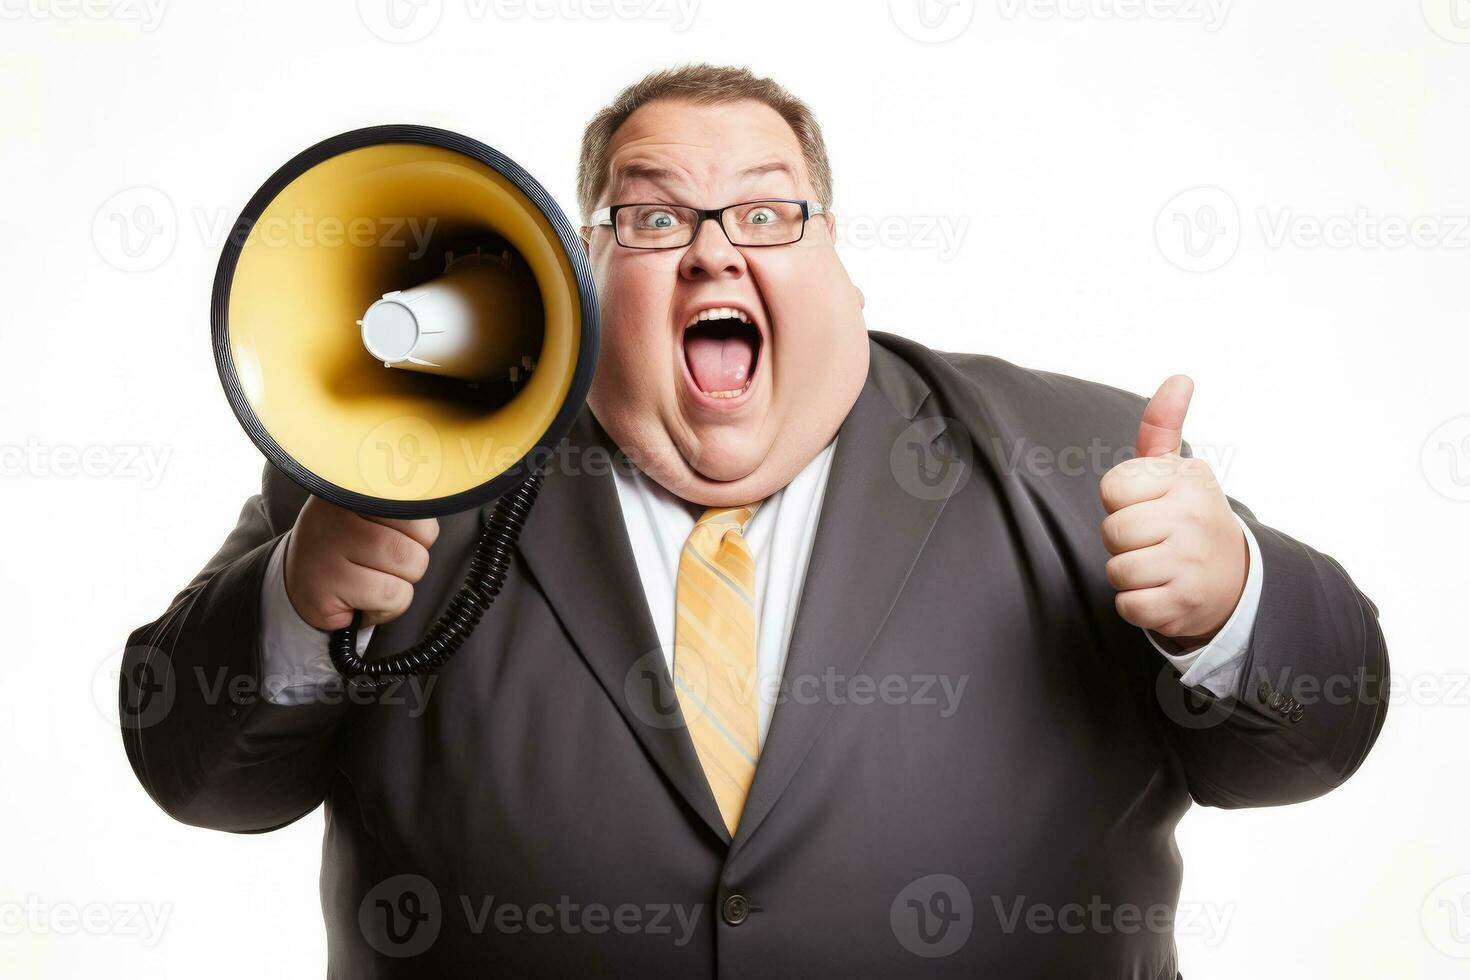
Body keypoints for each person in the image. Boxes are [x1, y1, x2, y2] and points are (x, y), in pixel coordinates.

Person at [119, 64, 1388, 978]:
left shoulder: (1088, 461)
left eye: (768, 211)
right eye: (654, 214)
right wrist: (298, 598)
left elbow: (1314, 745)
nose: (713, 251)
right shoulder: (392, 472)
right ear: (581, 265)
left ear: (834, 255)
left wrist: (1235, 603)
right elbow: (195, 775)